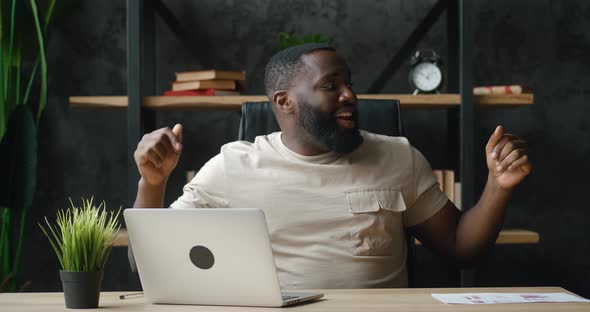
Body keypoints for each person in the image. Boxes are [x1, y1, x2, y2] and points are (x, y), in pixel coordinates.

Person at [132, 43, 531, 289]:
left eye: (350, 84)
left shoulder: (398, 158)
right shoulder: (231, 166)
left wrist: (499, 185)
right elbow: (147, 262)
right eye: (330, 86)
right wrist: (152, 184)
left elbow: (463, 248)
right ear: (284, 101)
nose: (350, 95)